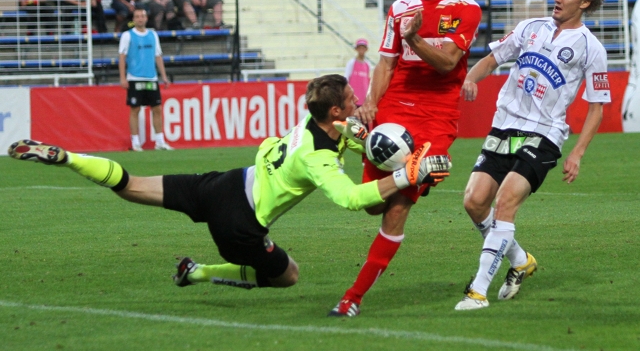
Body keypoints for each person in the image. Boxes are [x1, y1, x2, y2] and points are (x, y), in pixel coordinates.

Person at [7, 74, 451, 291]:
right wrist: (406, 175)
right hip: (240, 221)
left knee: (134, 184)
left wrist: (404, 154)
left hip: (224, 183)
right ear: (334, 112)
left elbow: (360, 141)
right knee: (287, 277)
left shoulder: (316, 127)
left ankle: (69, 158)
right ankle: (197, 272)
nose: (359, 103)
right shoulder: (316, 155)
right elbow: (352, 199)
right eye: (352, 100)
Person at [329, 0, 482, 317]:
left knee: (397, 206)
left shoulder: (466, 8)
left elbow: (448, 63)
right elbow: (386, 63)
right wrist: (369, 103)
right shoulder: (400, 7)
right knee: (369, 204)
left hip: (435, 114)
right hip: (393, 110)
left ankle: (353, 297)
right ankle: (416, 171)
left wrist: (414, 38)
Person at [454, 0, 610, 310]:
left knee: (505, 201)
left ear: (584, 2)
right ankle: (520, 260)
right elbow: (494, 58)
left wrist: (578, 153)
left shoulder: (590, 47)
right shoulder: (530, 28)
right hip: (503, 125)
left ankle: (477, 292)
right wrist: (470, 79)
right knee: (474, 202)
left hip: (544, 133)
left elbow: (596, 107)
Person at [118, 8, 172, 151]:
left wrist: (164, 76)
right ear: (133, 19)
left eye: (142, 16)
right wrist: (123, 78)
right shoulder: (127, 35)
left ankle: (160, 141)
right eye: (137, 16)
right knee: (135, 109)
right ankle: (135, 142)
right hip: (135, 77)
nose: (140, 19)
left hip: (151, 78)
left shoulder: (153, 35)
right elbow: (122, 57)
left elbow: (158, 55)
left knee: (157, 108)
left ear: (146, 18)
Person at [344, 38, 373, 107]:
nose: (361, 50)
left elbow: (369, 80)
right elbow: (346, 77)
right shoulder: (351, 63)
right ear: (356, 49)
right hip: (353, 97)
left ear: (366, 49)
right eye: (359, 48)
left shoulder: (368, 64)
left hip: (363, 97)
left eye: (363, 48)